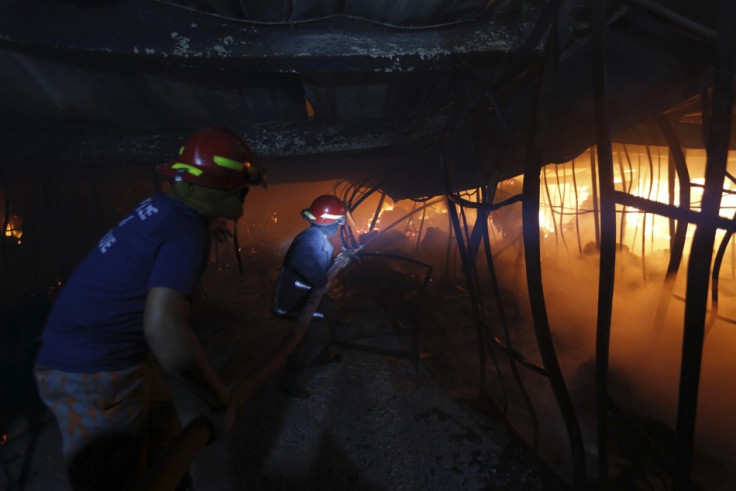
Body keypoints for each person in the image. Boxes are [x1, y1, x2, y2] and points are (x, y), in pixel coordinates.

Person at [33, 127, 265, 490]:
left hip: (119, 362)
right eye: (240, 188)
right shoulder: (185, 231)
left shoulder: (162, 207)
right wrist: (220, 401)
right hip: (93, 373)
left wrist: (206, 222)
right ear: (229, 189)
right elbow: (164, 330)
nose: (243, 196)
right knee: (116, 481)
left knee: (167, 454)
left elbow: (161, 237)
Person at [271, 194, 349, 399]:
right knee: (318, 335)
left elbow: (320, 267)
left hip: (309, 295)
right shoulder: (309, 241)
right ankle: (290, 380)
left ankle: (320, 356)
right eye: (339, 223)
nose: (339, 227)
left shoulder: (318, 237)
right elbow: (308, 267)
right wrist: (325, 280)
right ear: (332, 223)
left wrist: (339, 261)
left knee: (332, 312)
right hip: (294, 301)